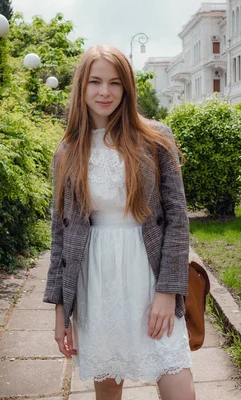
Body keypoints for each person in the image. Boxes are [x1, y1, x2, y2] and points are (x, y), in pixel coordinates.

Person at [43, 45, 195, 400]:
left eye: (114, 83)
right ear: (82, 87)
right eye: (95, 82)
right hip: (95, 278)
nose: (104, 91)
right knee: (108, 388)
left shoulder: (154, 139)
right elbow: (60, 235)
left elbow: (177, 219)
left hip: (149, 272)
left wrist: (167, 290)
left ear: (127, 89)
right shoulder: (67, 151)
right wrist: (61, 309)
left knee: (176, 379)